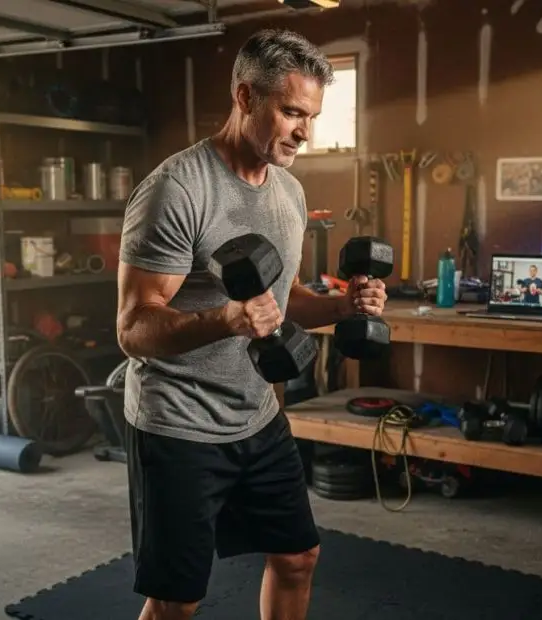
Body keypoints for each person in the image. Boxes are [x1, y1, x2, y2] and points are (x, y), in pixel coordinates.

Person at [115, 29, 388, 620]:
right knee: (177, 599)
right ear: (245, 97)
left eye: (310, 116)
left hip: (257, 416)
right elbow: (134, 328)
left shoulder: (288, 192)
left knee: (297, 556)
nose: (304, 131)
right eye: (291, 111)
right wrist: (226, 319)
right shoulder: (176, 190)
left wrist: (345, 306)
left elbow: (282, 297)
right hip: (179, 424)